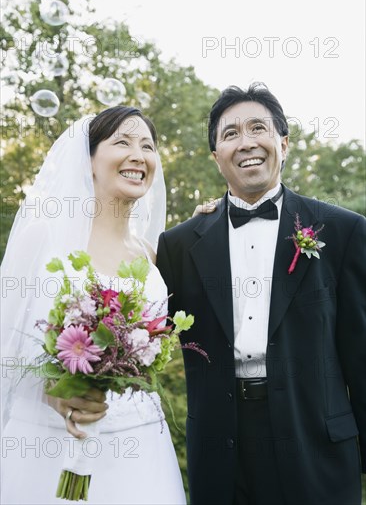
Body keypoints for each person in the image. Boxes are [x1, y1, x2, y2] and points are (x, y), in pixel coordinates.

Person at [156, 83, 366, 505]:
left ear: (283, 144)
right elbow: (149, 343)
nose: (246, 142)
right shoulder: (178, 245)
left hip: (317, 446)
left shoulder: (343, 231)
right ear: (216, 157)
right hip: (219, 450)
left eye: (258, 128)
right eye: (230, 134)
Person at [1, 107, 186, 504]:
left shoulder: (151, 256)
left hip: (138, 447)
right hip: (45, 442)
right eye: (122, 142)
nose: (138, 155)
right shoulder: (42, 237)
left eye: (147, 146)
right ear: (88, 161)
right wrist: (56, 390)